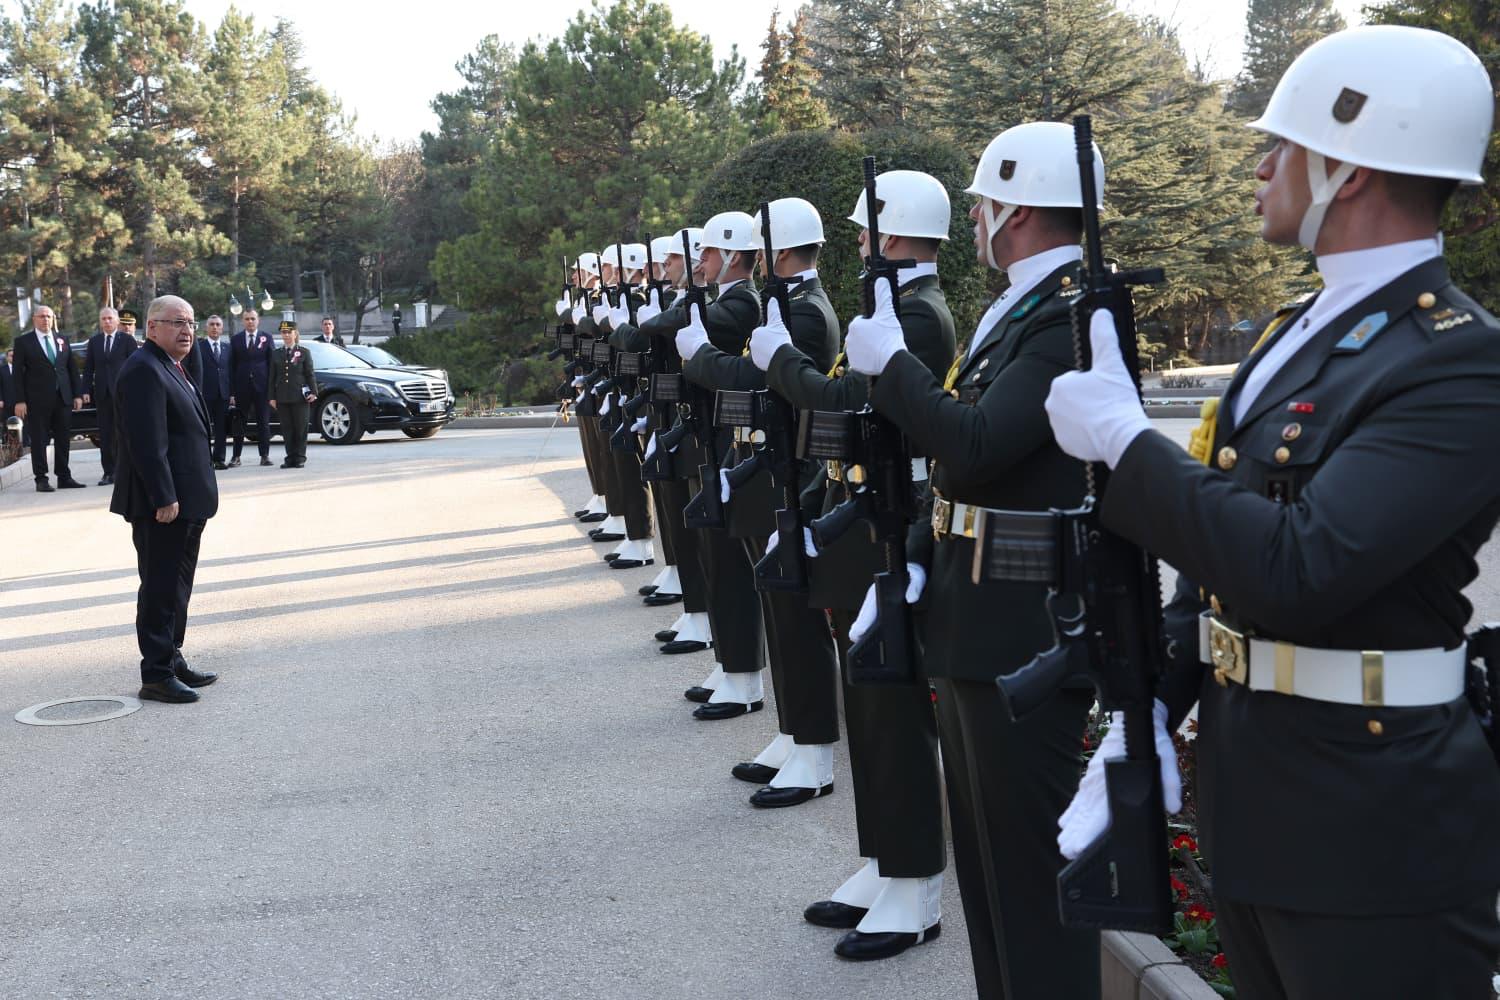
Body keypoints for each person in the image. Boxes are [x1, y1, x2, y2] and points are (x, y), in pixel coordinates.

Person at [1045, 26, 1500, 1000]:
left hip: (1375, 830)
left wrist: (1130, 442)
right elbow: (1218, 558)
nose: (1259, 168)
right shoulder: (1304, 331)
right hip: (1256, 806)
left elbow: (1301, 566)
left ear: (1349, 168)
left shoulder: (1459, 359)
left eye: (1281, 148)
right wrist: (1151, 709)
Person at [843, 121, 1104, 997]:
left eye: (988, 203)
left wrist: (889, 369)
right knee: (991, 878)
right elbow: (957, 472)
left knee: (1031, 880)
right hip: (972, 611)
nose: (980, 219)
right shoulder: (1022, 309)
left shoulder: (1066, 312)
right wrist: (916, 556)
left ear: (1018, 209)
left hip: (1020, 626)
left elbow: (979, 442)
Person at [755, 170, 955, 960]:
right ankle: (884, 862)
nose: (862, 246)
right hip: (860, 518)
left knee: (894, 708)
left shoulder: (920, 317)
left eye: (870, 234)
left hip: (892, 525)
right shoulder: (891, 309)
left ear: (897, 235)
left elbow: (844, 405)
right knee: (867, 699)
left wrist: (778, 362)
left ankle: (917, 887)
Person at [680, 197, 843, 805]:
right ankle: (793, 730)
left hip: (791, 470)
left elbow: (758, 377)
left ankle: (815, 750)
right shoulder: (787, 304)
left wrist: (700, 358)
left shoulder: (804, 310)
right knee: (778, 608)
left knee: (797, 616)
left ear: (778, 250)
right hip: (772, 466)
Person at [111, 294, 219, 704]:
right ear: (151, 327)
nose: (187, 330)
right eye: (176, 322)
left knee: (177, 585)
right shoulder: (142, 370)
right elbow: (145, 443)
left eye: (189, 322)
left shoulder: (171, 366)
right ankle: (155, 673)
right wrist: (164, 496)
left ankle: (172, 657)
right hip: (164, 504)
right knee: (158, 586)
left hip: (188, 500)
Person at [11, 304, 85, 492]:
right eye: (42, 316)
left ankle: (64, 476)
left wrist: (76, 394)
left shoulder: (62, 339)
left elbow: (71, 369)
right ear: (34, 319)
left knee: (63, 439)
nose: (46, 320)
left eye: (49, 316)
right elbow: (17, 374)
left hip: (63, 398)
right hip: (37, 400)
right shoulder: (23, 342)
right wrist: (20, 400)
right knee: (39, 440)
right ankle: (41, 478)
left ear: (53, 319)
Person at [82, 306, 139, 485]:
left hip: (124, 395)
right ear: (100, 322)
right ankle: (109, 472)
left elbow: (135, 367)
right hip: (102, 395)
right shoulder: (94, 342)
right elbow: (88, 368)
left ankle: (127, 471)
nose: (107, 321)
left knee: (124, 433)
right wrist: (84, 391)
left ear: (117, 321)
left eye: (110, 318)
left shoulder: (127, 341)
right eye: (104, 319)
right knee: (105, 436)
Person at [229, 308, 274, 467]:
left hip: (262, 388)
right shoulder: (235, 340)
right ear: (243, 321)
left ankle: (265, 455)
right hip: (242, 388)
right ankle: (236, 457)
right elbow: (231, 366)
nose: (250, 321)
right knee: (239, 423)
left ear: (258, 320)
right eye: (247, 319)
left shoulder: (266, 338)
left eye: (252, 319)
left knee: (263, 422)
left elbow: (272, 365)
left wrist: (272, 390)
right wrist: (232, 392)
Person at [270, 320, 318, 468]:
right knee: (287, 429)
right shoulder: (276, 354)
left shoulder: (303, 352)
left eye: (288, 332)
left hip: (299, 397)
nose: (286, 335)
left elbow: (310, 374)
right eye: (283, 333)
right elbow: (272, 376)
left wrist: (314, 392)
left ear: (295, 333)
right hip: (282, 397)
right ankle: (290, 457)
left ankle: (300, 457)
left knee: (300, 428)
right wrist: (271, 397)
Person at [197, 315, 232, 470]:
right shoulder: (199, 347)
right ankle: (205, 460)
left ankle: (219, 459)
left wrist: (232, 393)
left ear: (222, 328)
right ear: (206, 327)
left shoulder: (227, 348)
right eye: (212, 324)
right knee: (203, 429)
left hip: (223, 394)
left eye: (218, 324)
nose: (215, 327)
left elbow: (231, 372)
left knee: (221, 429)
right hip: (204, 394)